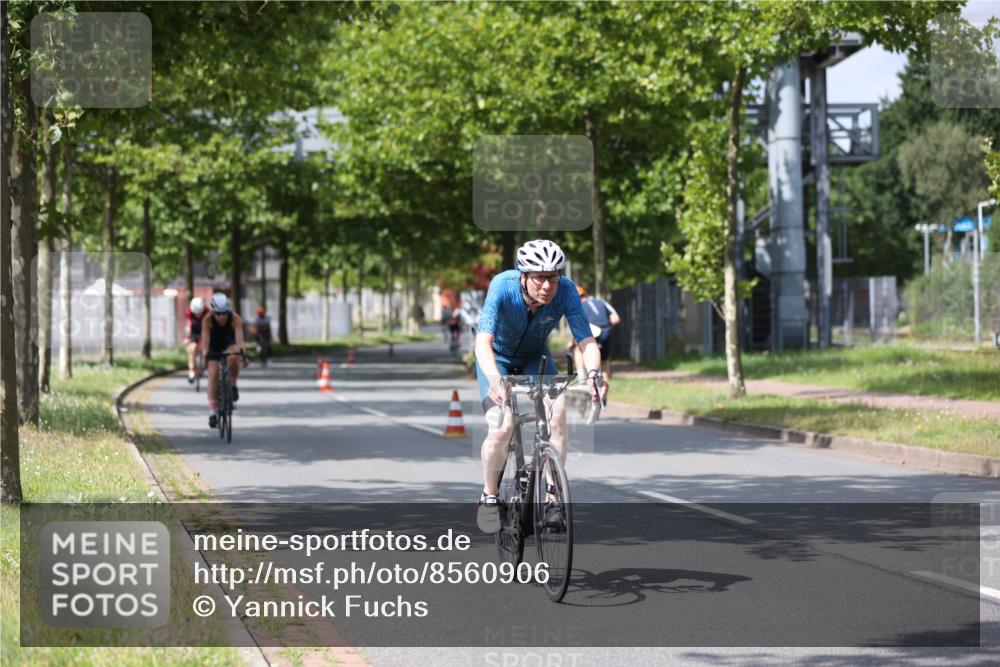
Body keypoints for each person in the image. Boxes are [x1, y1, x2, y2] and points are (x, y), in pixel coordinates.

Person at [474, 239, 608, 532]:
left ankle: (551, 499)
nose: (547, 286)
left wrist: (595, 373)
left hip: (536, 359)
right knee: (502, 424)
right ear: (523, 276)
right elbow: (482, 341)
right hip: (497, 360)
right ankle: (489, 495)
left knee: (557, 412)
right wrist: (496, 380)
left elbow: (586, 340)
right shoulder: (503, 286)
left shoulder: (567, 291)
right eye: (540, 278)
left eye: (553, 277)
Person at [201, 293, 247, 428]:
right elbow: (205, 341)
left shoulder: (235, 318)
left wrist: (242, 354)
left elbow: (239, 340)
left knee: (233, 356)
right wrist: (205, 354)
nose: (221, 317)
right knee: (213, 374)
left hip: (229, 342)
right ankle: (212, 410)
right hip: (214, 344)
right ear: (213, 311)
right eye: (218, 314)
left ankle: (232, 384)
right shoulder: (207, 320)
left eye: (224, 313)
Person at [567, 285, 621, 378]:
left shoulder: (576, 306)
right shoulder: (601, 302)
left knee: (579, 350)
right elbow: (616, 319)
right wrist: (604, 327)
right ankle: (604, 381)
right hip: (606, 331)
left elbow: (576, 326)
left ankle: (581, 376)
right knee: (605, 359)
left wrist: (572, 342)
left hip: (590, 330)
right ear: (585, 294)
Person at [185, 297, 207, 383]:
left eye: (200, 313)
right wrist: (187, 338)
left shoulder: (207, 312)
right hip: (194, 330)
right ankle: (191, 372)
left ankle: (204, 364)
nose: (198, 315)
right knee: (192, 349)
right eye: (196, 313)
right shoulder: (189, 312)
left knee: (206, 348)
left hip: (205, 330)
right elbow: (188, 325)